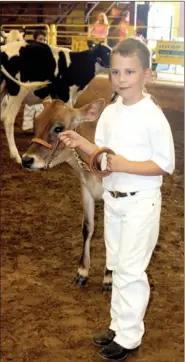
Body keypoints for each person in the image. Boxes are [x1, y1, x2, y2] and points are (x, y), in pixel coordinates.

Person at [59, 38, 175, 360]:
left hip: (141, 202)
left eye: (129, 72)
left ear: (146, 75)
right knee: (116, 264)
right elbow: (102, 156)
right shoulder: (109, 114)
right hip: (114, 201)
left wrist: (122, 165)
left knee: (130, 269)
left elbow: (165, 165)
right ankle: (118, 324)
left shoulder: (152, 116)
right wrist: (81, 144)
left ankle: (129, 336)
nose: (121, 79)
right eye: (115, 72)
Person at [22, 30, 47, 133]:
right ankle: (27, 126)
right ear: (35, 39)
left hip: (43, 80)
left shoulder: (47, 51)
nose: (43, 41)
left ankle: (37, 125)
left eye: (44, 39)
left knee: (40, 103)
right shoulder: (29, 50)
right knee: (30, 103)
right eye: (40, 39)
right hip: (31, 79)